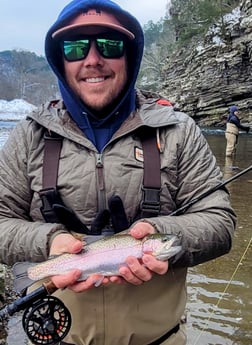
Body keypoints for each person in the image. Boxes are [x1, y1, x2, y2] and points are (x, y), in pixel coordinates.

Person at [0, 0, 236, 344]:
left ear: (131, 54)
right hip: (57, 336)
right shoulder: (28, 136)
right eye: (76, 47)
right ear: (59, 60)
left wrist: (161, 231)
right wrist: (49, 242)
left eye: (110, 45)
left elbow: (221, 222)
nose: (93, 59)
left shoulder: (179, 130)